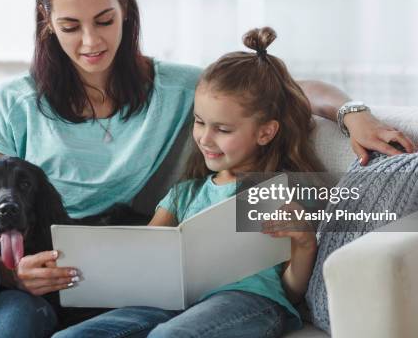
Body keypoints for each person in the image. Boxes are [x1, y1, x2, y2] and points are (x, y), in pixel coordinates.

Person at [0, 0, 416, 337]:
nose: (91, 42)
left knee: (15, 325)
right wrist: (8, 274)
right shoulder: (13, 102)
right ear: (48, 23)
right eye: (70, 27)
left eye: (105, 20)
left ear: (126, 10)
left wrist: (353, 113)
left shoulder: (179, 91)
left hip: (51, 280)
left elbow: (278, 86)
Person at [53, 26, 321, 338]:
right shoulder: (183, 195)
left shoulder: (275, 193)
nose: (205, 138)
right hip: (175, 302)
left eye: (222, 129)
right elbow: (141, 256)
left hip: (248, 301)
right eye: (199, 122)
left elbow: (290, 292)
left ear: (265, 132)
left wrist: (305, 244)